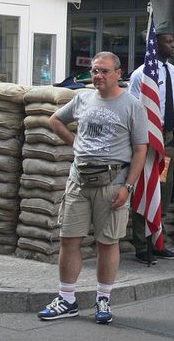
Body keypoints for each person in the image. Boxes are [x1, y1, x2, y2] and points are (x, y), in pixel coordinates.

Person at [38, 52, 148, 324]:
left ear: (118, 73)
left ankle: (103, 298)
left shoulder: (133, 106)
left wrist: (128, 187)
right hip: (79, 181)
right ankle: (66, 298)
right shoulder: (82, 98)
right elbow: (55, 120)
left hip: (112, 184)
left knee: (107, 243)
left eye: (104, 71)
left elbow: (140, 150)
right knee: (69, 239)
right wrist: (74, 142)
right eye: (95, 71)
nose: (98, 76)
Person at [128, 20, 174, 264]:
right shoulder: (141, 74)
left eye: (172, 41)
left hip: (166, 140)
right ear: (155, 44)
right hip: (147, 138)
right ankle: (142, 244)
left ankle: (158, 241)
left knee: (163, 189)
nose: (172, 45)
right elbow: (132, 107)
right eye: (167, 41)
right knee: (145, 189)